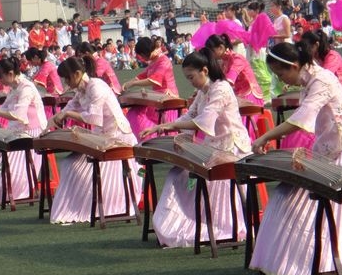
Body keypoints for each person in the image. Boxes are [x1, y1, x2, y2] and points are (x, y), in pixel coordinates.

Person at [249, 41, 342, 275]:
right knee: (284, 196)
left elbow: (303, 118)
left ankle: (331, 259)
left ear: (295, 65)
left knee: (295, 201)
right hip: (329, 155)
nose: (280, 79)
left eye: (281, 73)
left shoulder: (322, 79)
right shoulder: (309, 81)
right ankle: (288, 259)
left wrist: (266, 136)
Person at [139, 49, 251, 247]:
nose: (190, 82)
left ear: (204, 71)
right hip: (213, 146)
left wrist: (167, 126)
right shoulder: (203, 91)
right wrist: (162, 126)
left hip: (231, 148)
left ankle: (221, 226)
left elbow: (204, 121)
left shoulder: (221, 89)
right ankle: (191, 223)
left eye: (191, 77)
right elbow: (190, 116)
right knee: (177, 175)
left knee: (187, 179)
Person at [46, 55, 141, 224]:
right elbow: (68, 108)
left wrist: (67, 115)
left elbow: (93, 118)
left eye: (67, 78)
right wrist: (47, 128)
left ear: (77, 74)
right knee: (69, 163)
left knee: (74, 165)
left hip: (118, 139)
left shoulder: (96, 87)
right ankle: (80, 206)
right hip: (102, 139)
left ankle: (95, 205)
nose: (66, 82)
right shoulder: (81, 89)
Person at [0, 57, 47, 205]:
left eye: (1, 77)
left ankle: (10, 192)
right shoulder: (14, 88)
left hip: (31, 133)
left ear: (10, 73)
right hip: (17, 131)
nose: (0, 81)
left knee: (3, 160)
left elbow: (19, 115)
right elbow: (5, 107)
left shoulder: (26, 88)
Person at [120, 37, 180, 139]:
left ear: (144, 53)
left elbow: (154, 80)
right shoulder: (154, 61)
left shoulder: (163, 60)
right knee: (135, 113)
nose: (141, 58)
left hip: (168, 98)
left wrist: (132, 84)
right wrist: (128, 83)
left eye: (141, 55)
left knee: (162, 128)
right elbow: (143, 75)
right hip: (157, 98)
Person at [300, 29, 342, 99]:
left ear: (316, 45)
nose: (305, 50)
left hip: (340, 95)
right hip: (326, 93)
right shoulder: (316, 58)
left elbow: (323, 78)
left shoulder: (332, 56)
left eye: (307, 47)